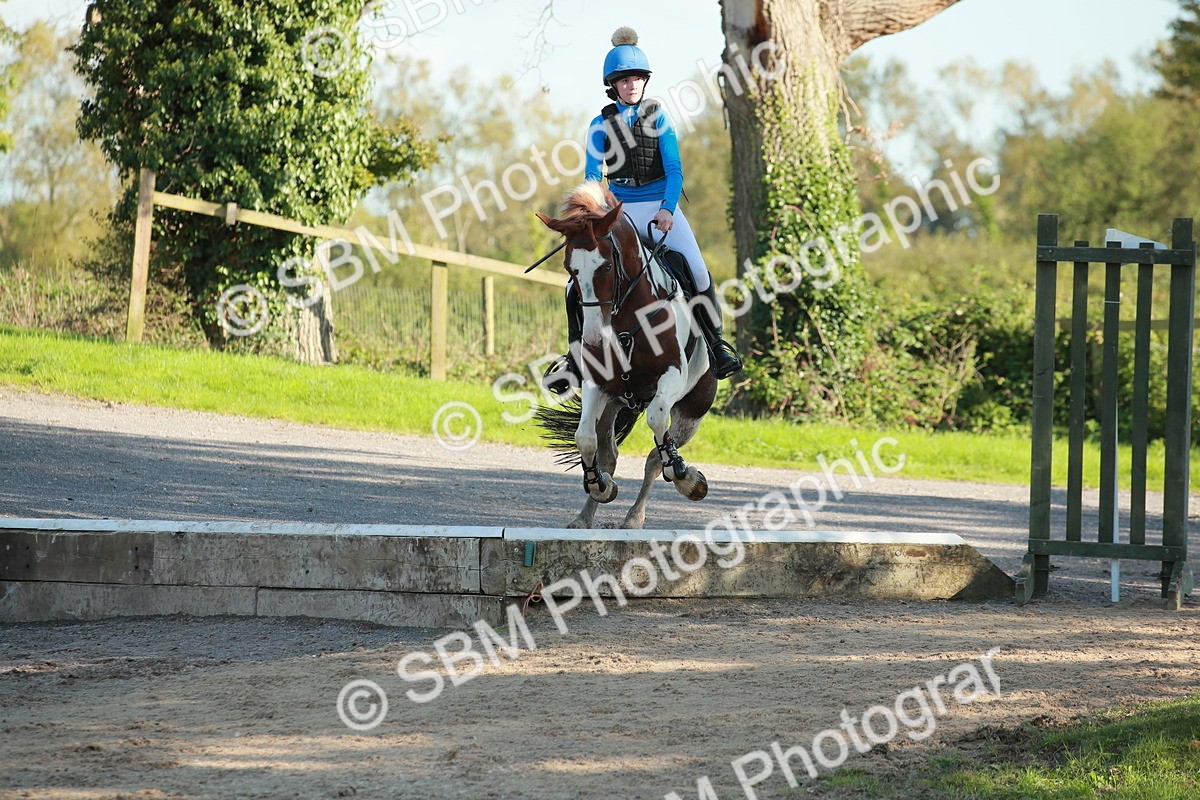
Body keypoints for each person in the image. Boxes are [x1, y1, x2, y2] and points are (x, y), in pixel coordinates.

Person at [542, 27, 743, 396]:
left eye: (637, 78)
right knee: (576, 281)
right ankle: (575, 360)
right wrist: (593, 213)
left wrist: (668, 209)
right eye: (624, 80)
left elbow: (675, 170)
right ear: (612, 85)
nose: (632, 84)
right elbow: (592, 176)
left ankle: (716, 346)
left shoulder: (660, 118)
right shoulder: (599, 125)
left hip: (659, 204)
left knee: (696, 270)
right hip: (618, 208)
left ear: (644, 81)